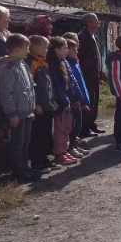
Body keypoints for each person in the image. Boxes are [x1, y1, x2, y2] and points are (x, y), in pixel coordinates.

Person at [0, 34, 39, 182]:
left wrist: (33, 106)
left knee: (26, 141)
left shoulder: (23, 64)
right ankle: (18, 172)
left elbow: (30, 88)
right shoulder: (8, 68)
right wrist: (12, 113)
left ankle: (25, 168)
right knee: (17, 142)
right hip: (17, 113)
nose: (28, 50)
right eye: (26, 48)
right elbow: (6, 93)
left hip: (27, 111)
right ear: (16, 49)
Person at [26, 36, 59, 173]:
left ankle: (45, 159)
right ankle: (37, 162)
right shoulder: (30, 63)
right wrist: (36, 104)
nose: (46, 50)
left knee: (46, 134)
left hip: (48, 105)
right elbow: (30, 87)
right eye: (45, 47)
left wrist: (54, 99)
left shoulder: (44, 63)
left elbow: (50, 85)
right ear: (35, 48)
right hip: (39, 107)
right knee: (37, 135)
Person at [47, 37, 78, 165]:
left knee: (67, 128)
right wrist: (64, 102)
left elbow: (72, 81)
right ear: (56, 50)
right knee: (60, 129)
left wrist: (77, 97)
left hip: (69, 101)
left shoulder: (64, 61)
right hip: (61, 104)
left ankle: (65, 150)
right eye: (64, 48)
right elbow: (57, 86)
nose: (67, 50)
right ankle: (59, 153)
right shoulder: (53, 64)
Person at [62, 35, 91, 159]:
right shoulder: (66, 64)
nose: (76, 52)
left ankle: (73, 144)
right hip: (72, 100)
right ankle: (70, 147)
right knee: (72, 126)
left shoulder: (74, 63)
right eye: (74, 50)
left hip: (79, 99)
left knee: (78, 124)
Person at [77, 13, 104, 136]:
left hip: (94, 75)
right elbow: (80, 58)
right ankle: (84, 129)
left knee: (94, 101)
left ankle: (91, 125)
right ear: (89, 23)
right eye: (96, 21)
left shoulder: (93, 36)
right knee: (88, 101)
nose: (98, 22)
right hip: (87, 76)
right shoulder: (82, 37)